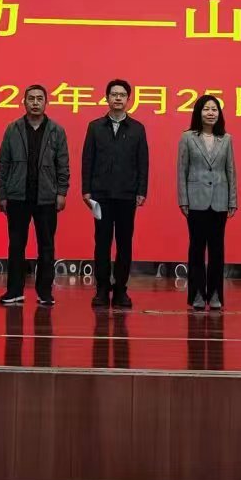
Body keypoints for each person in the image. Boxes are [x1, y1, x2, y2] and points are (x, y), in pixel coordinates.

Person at [0, 84, 69, 308]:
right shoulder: (13, 129)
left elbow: (63, 165)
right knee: (16, 245)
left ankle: (45, 292)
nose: (35, 103)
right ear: (24, 102)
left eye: (39, 99)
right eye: (31, 99)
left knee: (46, 246)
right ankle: (14, 291)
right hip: (18, 197)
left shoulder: (56, 130)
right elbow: (3, 164)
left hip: (46, 197)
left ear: (46, 103)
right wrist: (2, 194)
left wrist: (61, 192)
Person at [81, 79, 150, 310]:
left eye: (122, 95)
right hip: (100, 195)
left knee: (124, 243)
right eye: (114, 94)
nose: (118, 98)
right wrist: (86, 190)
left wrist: (141, 190)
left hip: (127, 195)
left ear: (128, 99)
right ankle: (102, 289)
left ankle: (121, 289)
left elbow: (143, 162)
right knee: (101, 242)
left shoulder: (137, 128)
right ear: (107, 98)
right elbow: (87, 160)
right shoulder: (95, 127)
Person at [176, 93, 236, 312]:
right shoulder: (187, 137)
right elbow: (181, 170)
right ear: (198, 113)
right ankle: (198, 294)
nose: (211, 113)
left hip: (220, 200)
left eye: (214, 109)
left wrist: (232, 200)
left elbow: (231, 170)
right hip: (196, 200)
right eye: (206, 109)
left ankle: (215, 293)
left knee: (217, 249)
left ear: (219, 113)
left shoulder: (226, 139)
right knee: (197, 249)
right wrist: (183, 200)